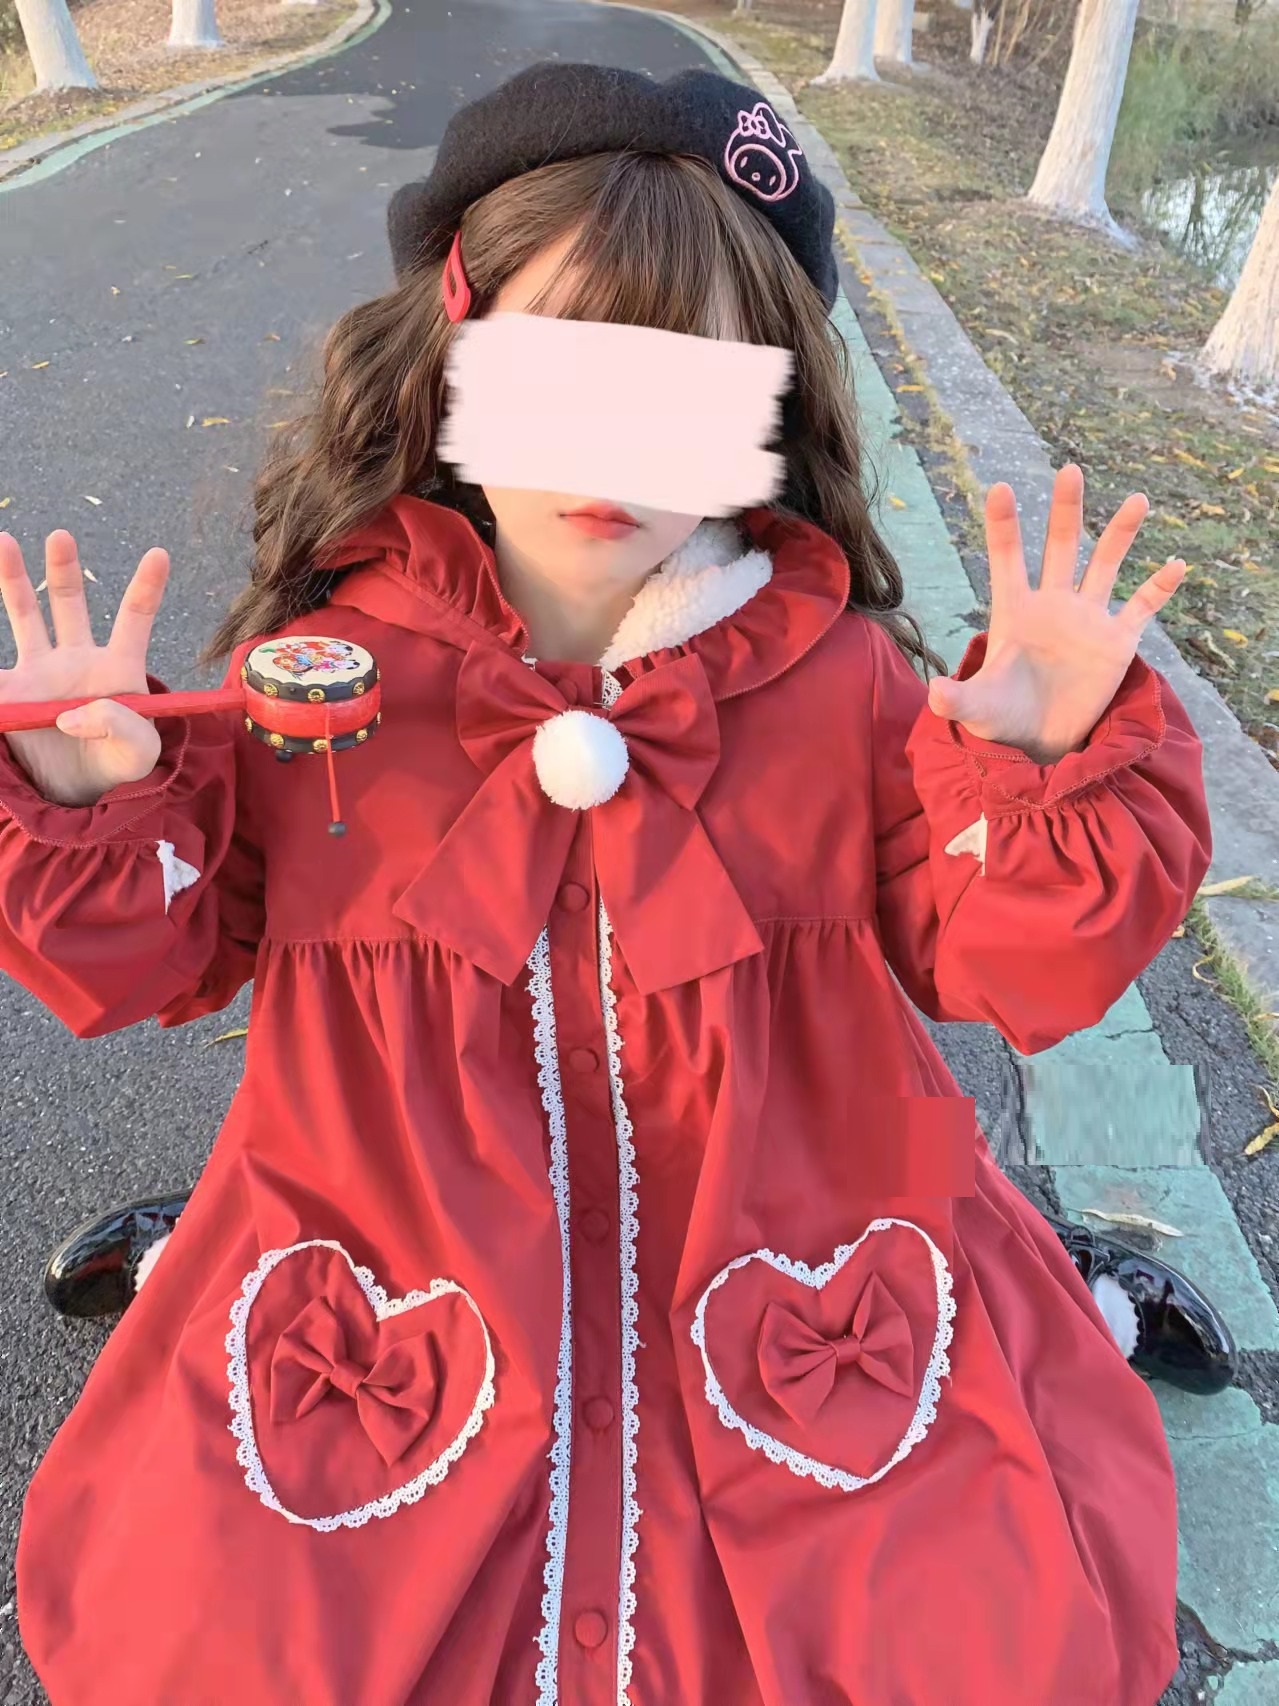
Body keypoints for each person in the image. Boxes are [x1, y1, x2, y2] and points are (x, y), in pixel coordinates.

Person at [0, 60, 1218, 1706]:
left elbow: (1003, 961)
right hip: (392, 1227)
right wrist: (90, 797)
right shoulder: (327, 681)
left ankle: (1063, 1277)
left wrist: (1040, 771)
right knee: (230, 1628)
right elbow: (156, 957)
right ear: (456, 357)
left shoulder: (843, 683)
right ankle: (197, 1246)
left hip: (792, 1229)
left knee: (963, 1619)